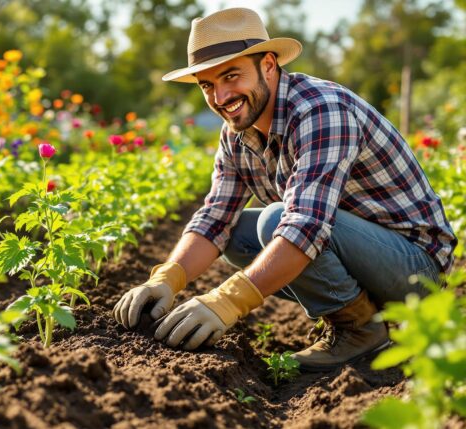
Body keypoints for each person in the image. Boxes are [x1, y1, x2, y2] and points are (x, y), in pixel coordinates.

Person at [112, 7, 456, 371]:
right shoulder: (236, 134)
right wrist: (168, 277)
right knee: (236, 234)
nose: (220, 95)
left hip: (416, 270)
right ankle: (363, 314)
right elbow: (215, 218)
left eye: (231, 76)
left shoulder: (320, 110)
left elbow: (305, 225)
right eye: (207, 85)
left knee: (277, 220)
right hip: (357, 252)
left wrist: (227, 301)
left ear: (270, 66)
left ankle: (360, 333)